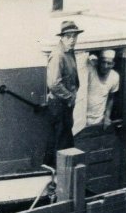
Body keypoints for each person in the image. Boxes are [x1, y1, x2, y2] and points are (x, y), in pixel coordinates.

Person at [44, 20, 84, 167]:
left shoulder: (69, 52)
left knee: (64, 140)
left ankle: (59, 175)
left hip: (66, 105)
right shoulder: (58, 55)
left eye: (75, 36)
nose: (72, 39)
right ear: (62, 37)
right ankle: (57, 177)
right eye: (69, 36)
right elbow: (54, 83)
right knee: (60, 143)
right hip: (59, 105)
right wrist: (70, 97)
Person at [85, 49, 120, 129]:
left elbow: (111, 98)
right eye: (103, 62)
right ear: (99, 62)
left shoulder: (115, 76)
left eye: (109, 63)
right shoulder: (90, 71)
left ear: (113, 64)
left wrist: (107, 117)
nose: (105, 66)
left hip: (99, 119)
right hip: (82, 119)